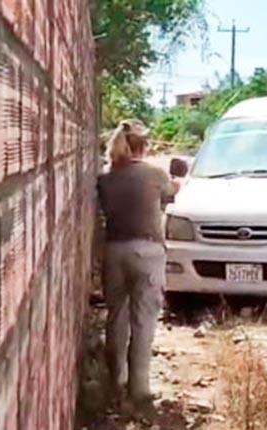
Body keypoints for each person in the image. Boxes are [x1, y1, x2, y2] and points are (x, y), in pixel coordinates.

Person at [96, 121, 180, 410]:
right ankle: (139, 388)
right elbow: (171, 190)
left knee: (115, 317)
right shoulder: (154, 173)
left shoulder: (105, 178)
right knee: (143, 321)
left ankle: (114, 383)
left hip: (114, 251)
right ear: (143, 146)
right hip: (148, 252)